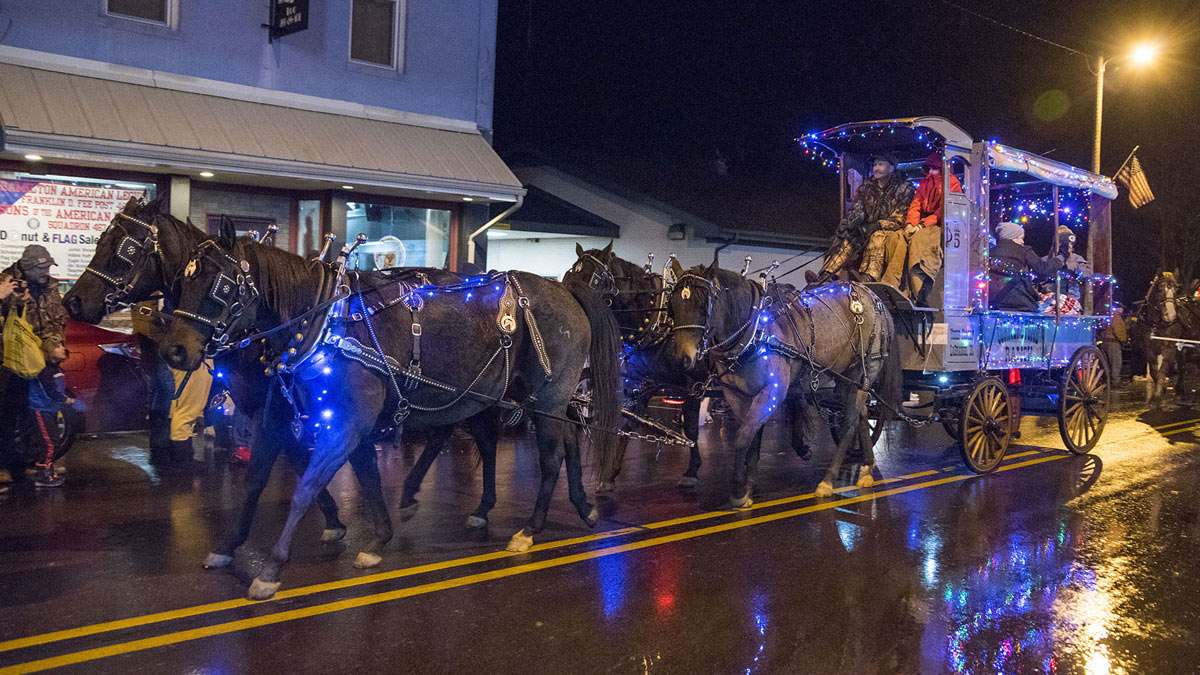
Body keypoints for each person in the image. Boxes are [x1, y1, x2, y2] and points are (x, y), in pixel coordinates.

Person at [1, 245, 66, 485]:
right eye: (40, 268)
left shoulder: (51, 285)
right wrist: (11, 300)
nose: (45, 272)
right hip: (11, 360)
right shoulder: (6, 282)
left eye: (48, 266)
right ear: (26, 268)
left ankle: (32, 463)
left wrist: (55, 345)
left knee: (35, 416)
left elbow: (59, 318)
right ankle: (4, 467)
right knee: (7, 415)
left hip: (41, 361)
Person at [807, 153, 914, 286]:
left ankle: (868, 277)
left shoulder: (904, 188)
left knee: (877, 236)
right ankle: (826, 276)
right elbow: (857, 212)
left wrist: (877, 225)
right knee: (849, 239)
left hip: (890, 232)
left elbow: (900, 219)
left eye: (881, 164)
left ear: (891, 168)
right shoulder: (866, 188)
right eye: (875, 165)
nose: (876, 168)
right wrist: (848, 227)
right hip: (866, 230)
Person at [904, 152, 963, 304]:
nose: (930, 172)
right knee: (899, 238)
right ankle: (899, 285)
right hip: (924, 223)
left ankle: (921, 288)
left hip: (940, 224)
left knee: (921, 240)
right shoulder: (925, 183)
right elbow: (916, 204)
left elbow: (943, 210)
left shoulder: (952, 184)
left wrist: (922, 225)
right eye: (929, 168)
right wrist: (910, 223)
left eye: (934, 168)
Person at [28, 335, 75, 487]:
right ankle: (44, 476)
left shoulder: (55, 368)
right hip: (42, 410)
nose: (63, 348)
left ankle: (48, 471)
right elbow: (50, 391)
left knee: (51, 441)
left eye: (62, 345)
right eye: (58, 346)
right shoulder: (45, 370)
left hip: (50, 409)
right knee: (49, 443)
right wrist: (66, 400)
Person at [988, 222, 1065, 311]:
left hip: (995, 302)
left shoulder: (991, 252)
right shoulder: (1023, 250)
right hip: (1020, 301)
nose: (1022, 241)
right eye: (1020, 238)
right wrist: (1061, 257)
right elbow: (1042, 269)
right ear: (1013, 237)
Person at [1101, 303, 1127, 384]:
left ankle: (1107, 381)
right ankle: (1115, 382)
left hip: (1105, 342)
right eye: (1122, 308)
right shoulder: (1116, 317)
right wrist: (1123, 340)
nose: (1123, 310)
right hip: (1114, 343)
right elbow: (1118, 331)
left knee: (1107, 363)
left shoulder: (1108, 316)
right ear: (1119, 309)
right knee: (1116, 363)